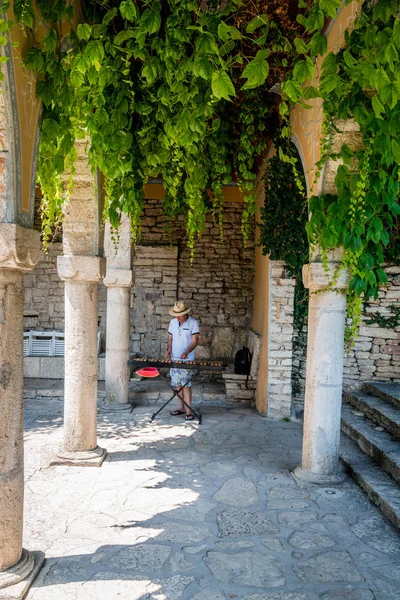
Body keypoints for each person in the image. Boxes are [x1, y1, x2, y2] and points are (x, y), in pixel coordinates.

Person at [166, 301, 200, 421]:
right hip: (174, 359)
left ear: (185, 313)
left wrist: (186, 352)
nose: (178, 318)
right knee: (177, 385)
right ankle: (181, 407)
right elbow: (170, 338)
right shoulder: (172, 322)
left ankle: (188, 411)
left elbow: (195, 341)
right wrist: (169, 349)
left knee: (186, 385)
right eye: (176, 315)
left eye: (180, 315)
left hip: (187, 360)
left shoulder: (193, 323)